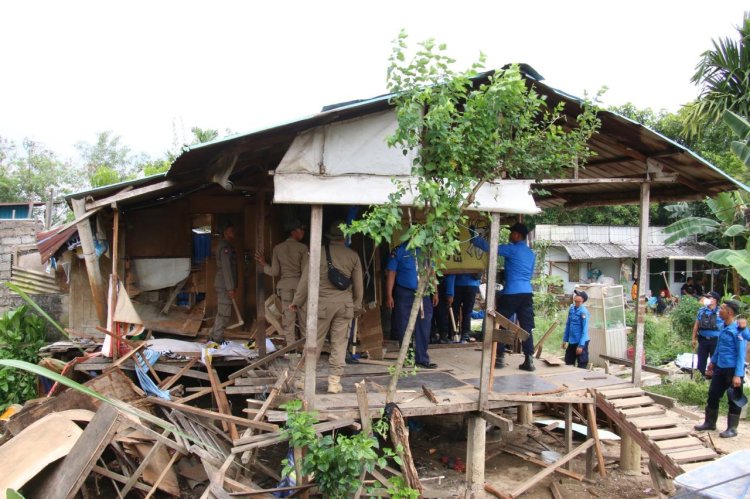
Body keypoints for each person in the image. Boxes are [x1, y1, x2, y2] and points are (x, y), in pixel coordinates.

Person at [290, 221, 363, 394]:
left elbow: (305, 280)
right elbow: (359, 286)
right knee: (340, 343)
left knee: (314, 341)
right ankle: (334, 382)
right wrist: (357, 306)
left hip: (321, 305)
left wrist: (297, 301)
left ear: (329, 237)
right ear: (344, 237)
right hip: (344, 306)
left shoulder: (317, 253)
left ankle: (306, 380)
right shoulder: (353, 256)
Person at [472, 222, 536, 371]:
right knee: (526, 327)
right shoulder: (530, 253)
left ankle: (499, 357)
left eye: (511, 233)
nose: (509, 235)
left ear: (518, 235)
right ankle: (529, 360)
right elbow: (530, 273)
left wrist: (475, 238)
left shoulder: (512, 249)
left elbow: (491, 248)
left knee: (500, 323)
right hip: (526, 292)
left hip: (512, 292)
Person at [694, 300, 748, 438]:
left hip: (733, 370)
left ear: (729, 312)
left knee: (734, 398)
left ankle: (732, 429)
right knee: (713, 394)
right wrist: (712, 362)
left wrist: (738, 375)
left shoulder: (738, 330)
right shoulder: (723, 327)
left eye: (722, 308)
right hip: (720, 367)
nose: (719, 310)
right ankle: (710, 422)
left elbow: (741, 354)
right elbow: (720, 347)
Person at [386, 240, 439, 369]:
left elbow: (432, 271)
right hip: (404, 292)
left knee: (424, 325)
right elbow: (391, 273)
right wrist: (389, 295)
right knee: (403, 325)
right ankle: (406, 358)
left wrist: (435, 291)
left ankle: (422, 359)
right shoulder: (399, 250)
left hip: (424, 292)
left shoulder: (427, 250)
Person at [255, 219, 308, 345]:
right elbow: (306, 272)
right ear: (293, 231)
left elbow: (274, 272)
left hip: (285, 289)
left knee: (288, 322)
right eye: (301, 230)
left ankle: (291, 351)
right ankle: (306, 351)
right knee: (304, 320)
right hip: (301, 288)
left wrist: (263, 264)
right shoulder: (303, 248)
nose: (303, 233)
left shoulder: (278, 248)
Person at [212, 222, 237, 343]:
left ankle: (215, 336)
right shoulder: (225, 247)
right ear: (226, 232)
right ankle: (217, 339)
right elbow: (227, 268)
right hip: (224, 285)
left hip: (224, 284)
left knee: (223, 311)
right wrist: (230, 288)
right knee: (224, 313)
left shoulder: (227, 245)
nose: (234, 232)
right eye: (231, 230)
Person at [691, 291, 724, 376]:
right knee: (701, 361)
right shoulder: (701, 311)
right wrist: (693, 339)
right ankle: (700, 379)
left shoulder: (721, 311)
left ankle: (714, 379)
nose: (706, 299)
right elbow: (696, 325)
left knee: (715, 361)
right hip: (703, 340)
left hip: (715, 341)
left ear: (715, 300)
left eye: (709, 297)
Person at [445, 273, 481, 342]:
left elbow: (452, 272)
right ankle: (465, 335)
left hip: (458, 285)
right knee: (467, 312)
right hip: (472, 285)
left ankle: (452, 335)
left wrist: (449, 292)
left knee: (455, 311)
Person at [562, 290, 589, 368]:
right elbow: (568, 325)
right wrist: (565, 340)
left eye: (578, 295)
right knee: (568, 361)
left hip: (581, 341)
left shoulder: (583, 312)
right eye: (576, 295)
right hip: (572, 340)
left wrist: (580, 346)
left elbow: (585, 329)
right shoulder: (572, 309)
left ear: (582, 300)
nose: (576, 296)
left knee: (582, 363)